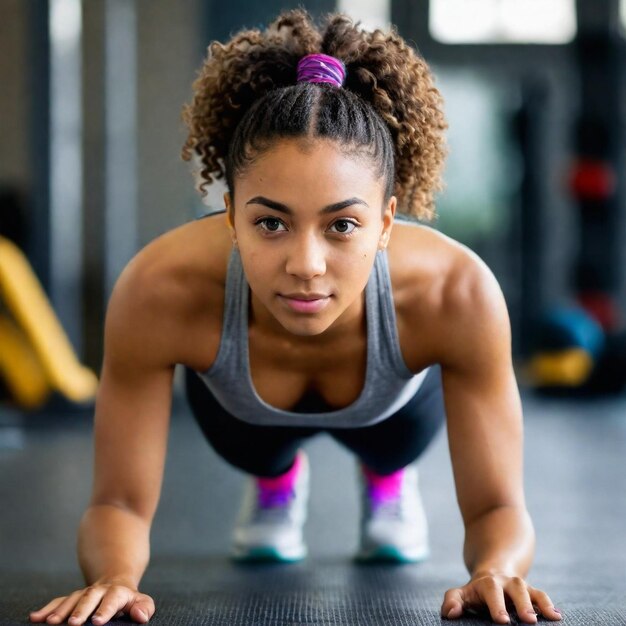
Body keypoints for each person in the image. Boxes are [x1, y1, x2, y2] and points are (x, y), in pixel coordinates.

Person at [29, 9, 562, 626]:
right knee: (259, 450)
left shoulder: (456, 291)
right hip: (245, 423)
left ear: (386, 222)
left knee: (392, 445)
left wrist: (496, 571)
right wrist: (114, 579)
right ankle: (275, 481)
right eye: (271, 223)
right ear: (229, 215)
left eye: (342, 225)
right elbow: (117, 499)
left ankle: (386, 479)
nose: (306, 265)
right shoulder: (160, 289)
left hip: (392, 418)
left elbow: (498, 504)